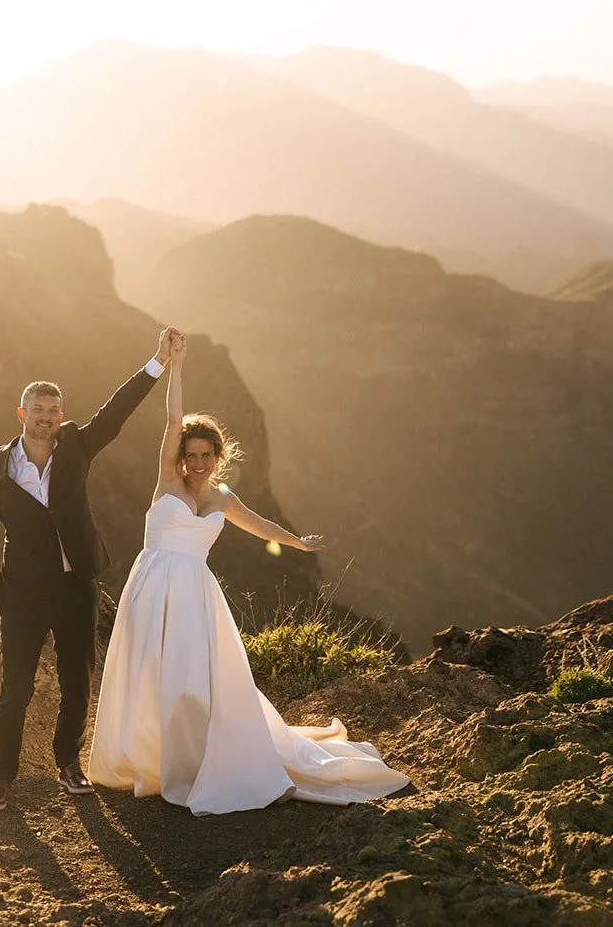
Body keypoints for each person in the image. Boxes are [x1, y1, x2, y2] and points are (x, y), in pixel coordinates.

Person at [89, 333, 411, 814]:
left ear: (218, 459)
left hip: (195, 592)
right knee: (147, 670)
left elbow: (261, 526)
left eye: (206, 455)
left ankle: (195, 760)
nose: (197, 462)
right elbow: (174, 419)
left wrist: (298, 543)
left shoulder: (223, 499)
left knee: (193, 678)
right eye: (190, 454)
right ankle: (149, 757)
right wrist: (175, 365)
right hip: (152, 584)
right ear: (181, 457)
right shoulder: (166, 481)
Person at [0, 329, 179, 811]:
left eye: (53, 412)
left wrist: (157, 363)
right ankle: (1, 776)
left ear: (61, 416)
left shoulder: (77, 445)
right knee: (14, 688)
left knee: (77, 681)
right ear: (22, 415)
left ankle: (67, 763)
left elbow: (115, 412)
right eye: (37, 411)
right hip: (22, 593)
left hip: (76, 583)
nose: (45, 419)